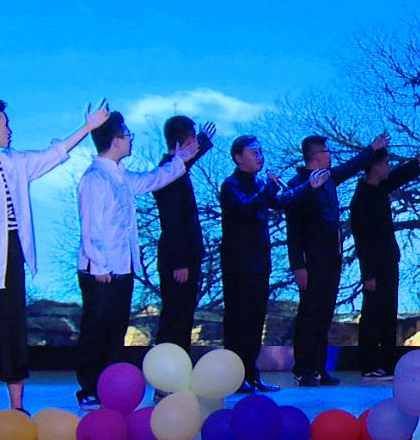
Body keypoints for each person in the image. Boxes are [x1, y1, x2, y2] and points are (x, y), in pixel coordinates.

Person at [0, 98, 110, 413]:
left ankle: (17, 406)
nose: (9, 130)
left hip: (10, 255)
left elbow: (53, 155)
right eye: (4, 125)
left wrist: (87, 127)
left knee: (13, 331)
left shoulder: (14, 162)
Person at [74, 112, 196, 407]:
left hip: (122, 267)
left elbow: (152, 179)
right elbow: (90, 227)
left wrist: (179, 160)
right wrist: (100, 266)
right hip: (100, 271)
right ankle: (88, 388)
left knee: (115, 331)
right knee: (96, 329)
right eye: (127, 135)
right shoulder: (95, 178)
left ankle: (107, 387)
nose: (131, 140)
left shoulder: (121, 175)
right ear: (115, 140)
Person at [220, 135, 324, 393]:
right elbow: (246, 208)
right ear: (238, 157)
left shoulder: (259, 184)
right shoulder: (231, 185)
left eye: (260, 151)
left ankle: (252, 374)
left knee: (256, 321)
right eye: (254, 152)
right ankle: (233, 377)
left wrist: (308, 186)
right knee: (239, 322)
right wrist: (268, 188)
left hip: (259, 264)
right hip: (238, 266)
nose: (260, 157)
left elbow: (282, 200)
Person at [285, 132, 389, 387]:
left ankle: (319, 367)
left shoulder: (329, 179)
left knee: (324, 313)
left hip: (332, 257)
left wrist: (372, 149)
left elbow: (351, 167)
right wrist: (298, 265)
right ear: (315, 155)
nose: (330, 155)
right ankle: (303, 368)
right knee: (309, 313)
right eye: (326, 151)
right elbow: (293, 230)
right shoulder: (298, 185)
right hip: (311, 260)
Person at [349, 146, 420, 380]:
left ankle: (387, 362)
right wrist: (368, 274)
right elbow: (362, 239)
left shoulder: (380, 189)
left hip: (388, 261)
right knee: (373, 314)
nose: (388, 167)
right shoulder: (362, 198)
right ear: (375, 166)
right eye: (385, 163)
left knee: (388, 313)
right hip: (374, 266)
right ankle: (369, 364)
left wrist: (417, 161)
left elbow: (397, 177)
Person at [152, 116, 216, 353]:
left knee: (183, 315)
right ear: (183, 142)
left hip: (186, 256)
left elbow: (186, 162)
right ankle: (166, 368)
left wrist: (204, 140)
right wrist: (179, 262)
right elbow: (172, 222)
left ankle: (178, 366)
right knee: (175, 317)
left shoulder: (175, 169)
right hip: (177, 260)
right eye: (193, 139)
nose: (196, 144)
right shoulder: (167, 174)